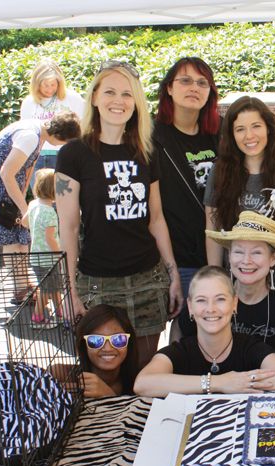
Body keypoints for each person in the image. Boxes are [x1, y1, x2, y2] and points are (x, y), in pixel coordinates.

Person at [56, 60, 182, 369]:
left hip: (148, 281)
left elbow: (156, 220)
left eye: (128, 94)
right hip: (97, 286)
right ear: (95, 97)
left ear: (136, 103)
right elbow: (68, 227)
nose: (119, 101)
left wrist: (174, 274)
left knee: (145, 376)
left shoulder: (146, 151)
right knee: (102, 378)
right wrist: (68, 289)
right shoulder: (73, 154)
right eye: (110, 91)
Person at [133, 266, 275, 398]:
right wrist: (219, 383)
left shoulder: (250, 347)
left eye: (220, 299)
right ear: (190, 307)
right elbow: (143, 384)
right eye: (201, 300)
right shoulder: (181, 351)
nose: (210, 309)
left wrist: (239, 382)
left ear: (234, 304)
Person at [0, 112, 80, 303]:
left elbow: (27, 167)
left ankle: (25, 282)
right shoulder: (30, 136)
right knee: (12, 238)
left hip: (9, 187)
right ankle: (20, 289)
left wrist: (26, 197)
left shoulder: (38, 131)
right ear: (60, 136)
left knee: (22, 237)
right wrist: (25, 210)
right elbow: (6, 173)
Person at [204, 96, 275, 287]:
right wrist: (215, 276)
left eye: (256, 126)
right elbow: (212, 229)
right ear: (231, 135)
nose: (249, 135)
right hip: (236, 281)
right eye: (240, 129)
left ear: (268, 128)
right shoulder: (218, 174)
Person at [177, 211, 275, 351]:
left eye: (256, 252)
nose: (246, 261)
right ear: (229, 256)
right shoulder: (207, 302)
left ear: (273, 258)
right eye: (239, 252)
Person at [152, 57, 221, 297]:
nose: (194, 87)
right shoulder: (151, 137)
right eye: (185, 80)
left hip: (220, 254)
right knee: (183, 328)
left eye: (202, 83)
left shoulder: (221, 133)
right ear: (169, 88)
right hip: (175, 258)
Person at [53, 304, 137, 397]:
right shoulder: (62, 375)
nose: (108, 348)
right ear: (84, 344)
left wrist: (108, 396)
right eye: (96, 340)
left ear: (129, 342)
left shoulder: (140, 382)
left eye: (118, 339)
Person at [20, 59, 85, 175]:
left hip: (63, 155)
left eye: (53, 84)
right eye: (45, 85)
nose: (49, 89)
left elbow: (84, 125)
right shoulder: (29, 102)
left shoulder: (72, 98)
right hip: (37, 158)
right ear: (37, 83)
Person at [22, 168, 62, 328]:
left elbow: (24, 223)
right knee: (46, 290)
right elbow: (50, 237)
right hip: (49, 258)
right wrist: (59, 254)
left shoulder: (33, 204)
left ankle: (61, 312)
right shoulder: (50, 213)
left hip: (36, 256)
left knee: (53, 286)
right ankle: (37, 318)